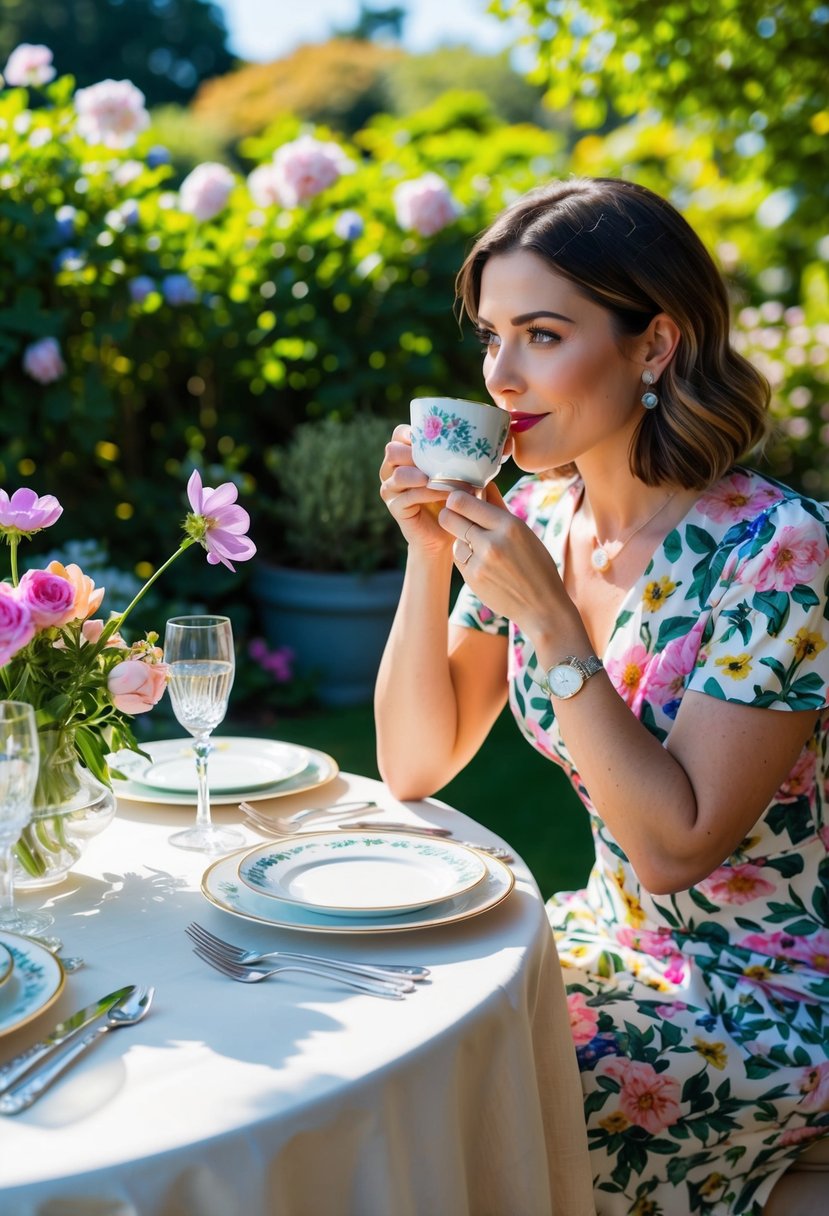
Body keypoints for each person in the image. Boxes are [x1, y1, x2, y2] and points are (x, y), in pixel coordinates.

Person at [375, 176, 829, 1215]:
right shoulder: (539, 510)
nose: (499, 375)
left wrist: (550, 619)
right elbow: (416, 758)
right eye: (490, 336)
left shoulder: (777, 549)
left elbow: (677, 847)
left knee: (464, 1106)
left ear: (654, 345)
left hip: (764, 999)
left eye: (540, 333)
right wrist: (427, 553)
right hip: (604, 939)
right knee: (392, 1028)